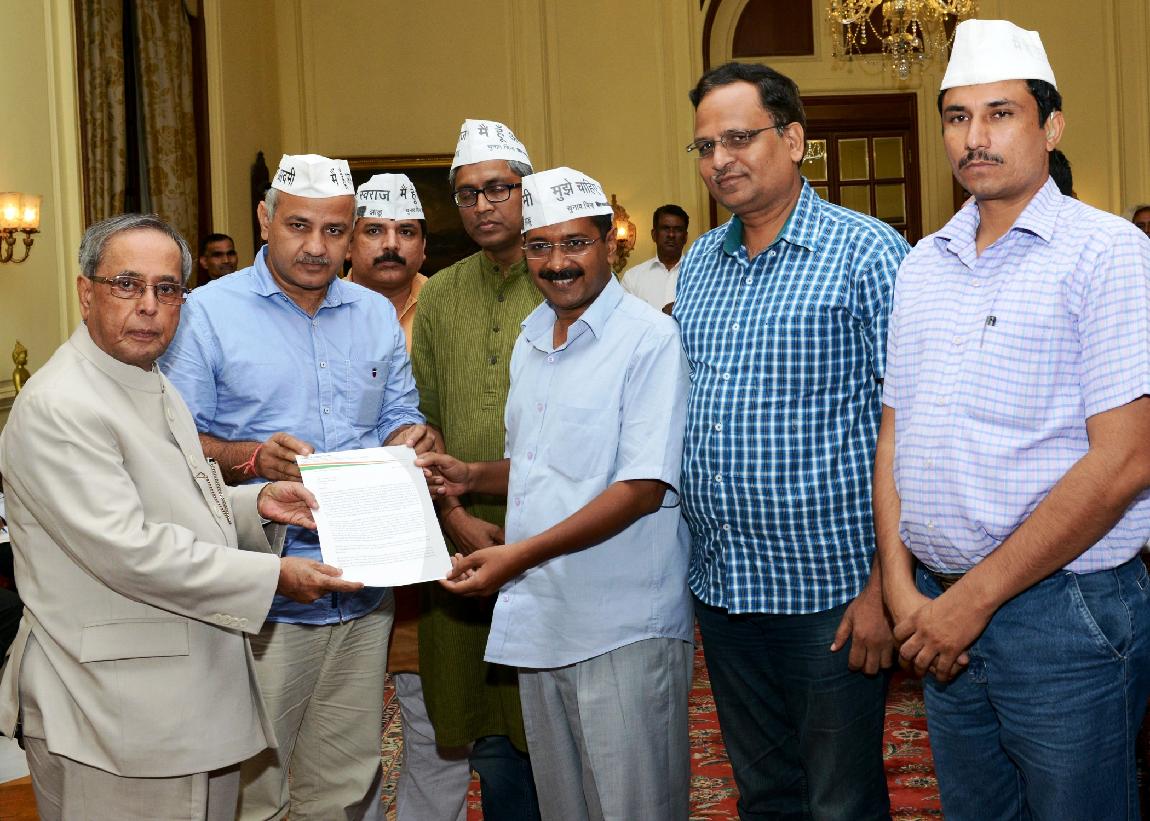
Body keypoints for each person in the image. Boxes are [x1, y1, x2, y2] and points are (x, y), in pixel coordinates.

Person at [0, 213, 362, 821]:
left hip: (186, 697)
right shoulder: (62, 405)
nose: (148, 305)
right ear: (86, 293)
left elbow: (178, 503)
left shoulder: (149, 379)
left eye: (166, 288)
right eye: (126, 284)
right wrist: (273, 578)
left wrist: (257, 504)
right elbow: (129, 551)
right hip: (114, 716)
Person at [876, 19, 1150, 820]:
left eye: (1000, 114)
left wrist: (973, 600)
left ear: (1050, 127)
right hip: (938, 609)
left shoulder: (1106, 252)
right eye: (957, 117)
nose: (975, 138)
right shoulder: (923, 263)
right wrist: (900, 587)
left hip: (1061, 614)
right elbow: (896, 434)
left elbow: (1126, 460)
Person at [160, 154, 431, 821]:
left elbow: (399, 415)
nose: (317, 246)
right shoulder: (205, 314)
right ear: (265, 219)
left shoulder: (372, 314)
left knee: (342, 786)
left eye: (334, 231)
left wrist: (412, 440)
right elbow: (172, 446)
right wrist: (251, 457)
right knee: (253, 794)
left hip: (361, 591)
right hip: (261, 599)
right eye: (298, 226)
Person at [419, 166, 693, 820]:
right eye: (540, 246)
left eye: (575, 243)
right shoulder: (532, 338)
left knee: (632, 808)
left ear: (609, 244)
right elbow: (545, 465)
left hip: (620, 623)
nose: (557, 262)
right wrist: (472, 476)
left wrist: (518, 555)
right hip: (542, 617)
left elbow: (641, 486)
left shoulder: (650, 339)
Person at [674, 61, 908, 820]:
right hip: (724, 587)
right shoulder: (700, 263)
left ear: (795, 139)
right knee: (765, 795)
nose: (720, 160)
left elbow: (909, 424)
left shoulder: (867, 252)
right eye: (705, 146)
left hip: (831, 593)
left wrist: (884, 587)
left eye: (739, 138)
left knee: (842, 800)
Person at [409, 119, 542, 820]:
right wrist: (454, 516)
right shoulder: (440, 294)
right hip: (460, 535)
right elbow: (425, 420)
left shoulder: (563, 278)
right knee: (485, 724)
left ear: (527, 190)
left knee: (552, 716)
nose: (483, 205)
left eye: (498, 188)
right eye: (467, 194)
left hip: (554, 535)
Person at [346, 173, 428, 351]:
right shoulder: (322, 308)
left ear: (423, 246)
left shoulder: (449, 305)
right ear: (348, 245)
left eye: (406, 232)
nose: (391, 244)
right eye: (374, 231)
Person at [620, 204, 689, 313]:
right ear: (654, 235)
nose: (671, 234)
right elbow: (624, 318)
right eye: (665, 228)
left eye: (678, 229)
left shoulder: (701, 276)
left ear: (685, 237)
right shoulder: (632, 278)